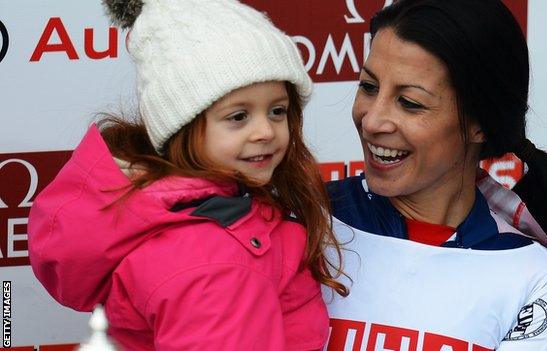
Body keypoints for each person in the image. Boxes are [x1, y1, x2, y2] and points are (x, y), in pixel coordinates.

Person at [27, 0, 346, 349]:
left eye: (276, 111)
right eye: (238, 116)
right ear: (183, 125)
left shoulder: (209, 216)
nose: (265, 131)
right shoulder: (216, 259)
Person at [324, 0, 547, 350]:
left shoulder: (534, 278)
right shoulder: (303, 220)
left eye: (410, 102)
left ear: (479, 125)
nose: (372, 120)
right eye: (368, 87)